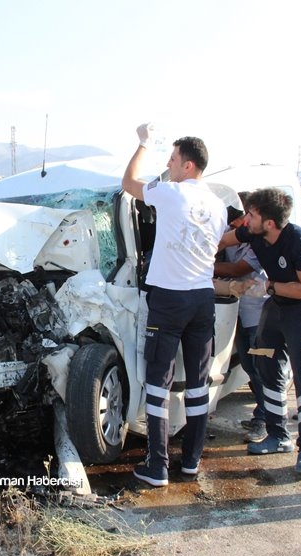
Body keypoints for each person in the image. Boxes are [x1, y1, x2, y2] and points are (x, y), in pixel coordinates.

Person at [121, 124, 227, 487]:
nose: (168, 164)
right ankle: (192, 461)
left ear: (189, 166)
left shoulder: (169, 193)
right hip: (202, 299)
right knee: (198, 384)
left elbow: (129, 182)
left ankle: (157, 465)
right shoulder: (217, 205)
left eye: (172, 159)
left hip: (169, 299)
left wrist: (143, 143)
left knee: (158, 383)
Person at [218, 187, 301, 475]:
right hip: (276, 305)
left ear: (268, 222)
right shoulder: (252, 232)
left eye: (252, 215)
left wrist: (268, 286)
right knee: (265, 364)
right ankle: (278, 436)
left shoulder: (299, 242)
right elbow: (222, 241)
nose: (246, 219)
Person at [214, 197, 269, 444]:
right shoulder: (232, 233)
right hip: (239, 312)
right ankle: (262, 413)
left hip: (258, 315)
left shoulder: (258, 240)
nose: (238, 223)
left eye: (242, 218)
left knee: (262, 367)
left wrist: (207, 266)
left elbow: (238, 269)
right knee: (248, 365)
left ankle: (266, 420)